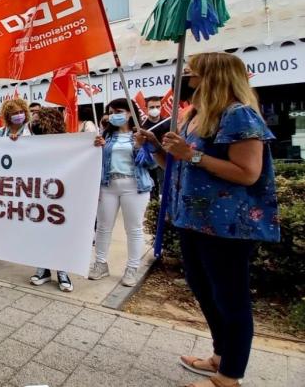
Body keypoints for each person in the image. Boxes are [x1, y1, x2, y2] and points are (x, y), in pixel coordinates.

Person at [140, 53, 278, 387]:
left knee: (231, 298)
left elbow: (248, 173)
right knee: (204, 290)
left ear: (213, 76)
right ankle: (220, 355)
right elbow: (177, 164)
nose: (187, 78)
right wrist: (157, 147)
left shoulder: (239, 116)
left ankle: (229, 377)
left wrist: (192, 154)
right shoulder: (195, 116)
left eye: (193, 73)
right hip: (192, 220)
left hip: (227, 226)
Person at [89, 98, 155, 287]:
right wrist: (97, 149)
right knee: (103, 227)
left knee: (133, 229)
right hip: (108, 186)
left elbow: (151, 163)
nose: (113, 115)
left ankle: (132, 268)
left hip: (135, 187)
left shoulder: (141, 136)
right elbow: (95, 162)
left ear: (129, 113)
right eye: (110, 112)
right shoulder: (106, 137)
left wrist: (139, 146)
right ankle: (100, 264)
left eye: (118, 111)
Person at [27, 108, 75, 292]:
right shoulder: (30, 142)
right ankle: (43, 269)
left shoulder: (69, 142)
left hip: (60, 195)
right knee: (40, 231)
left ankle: (62, 270)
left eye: (38, 119)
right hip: (37, 194)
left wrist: (94, 145)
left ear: (50, 121)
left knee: (59, 231)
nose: (34, 122)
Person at [143, 95, 169, 199]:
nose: (155, 109)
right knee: (152, 190)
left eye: (158, 107)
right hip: (148, 161)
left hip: (164, 158)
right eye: (152, 107)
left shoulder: (168, 123)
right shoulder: (142, 125)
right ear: (146, 109)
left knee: (164, 188)